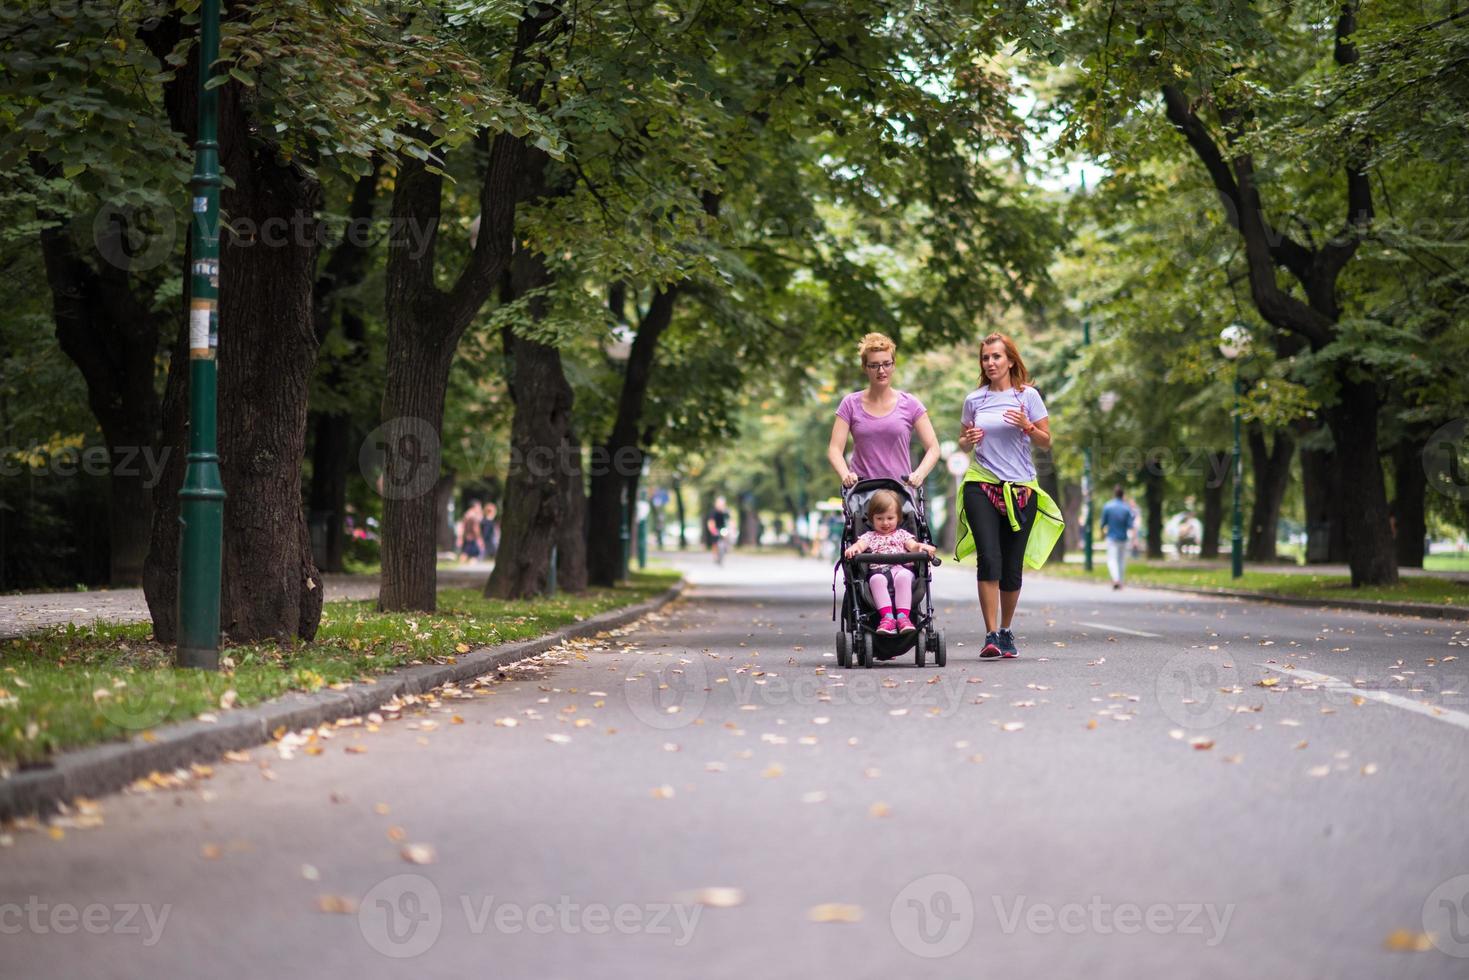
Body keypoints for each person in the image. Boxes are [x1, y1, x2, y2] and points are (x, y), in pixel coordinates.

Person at [954, 333, 1065, 660]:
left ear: (1011, 361)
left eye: (996, 357)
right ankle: (990, 634)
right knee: (989, 557)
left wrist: (1027, 426)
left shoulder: (1027, 396)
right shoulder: (975, 399)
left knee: (1011, 565)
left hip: (1020, 488)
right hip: (981, 482)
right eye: (986, 358)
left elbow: (1046, 441)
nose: (990, 363)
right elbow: (963, 439)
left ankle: (1005, 630)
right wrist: (968, 439)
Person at [827, 332, 941, 488]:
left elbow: (933, 448)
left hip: (899, 494)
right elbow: (834, 449)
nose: (881, 370)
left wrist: (919, 474)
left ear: (893, 365)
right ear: (865, 367)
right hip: (862, 494)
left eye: (886, 364)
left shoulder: (911, 404)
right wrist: (845, 474)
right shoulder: (850, 404)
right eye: (874, 365)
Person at [845, 489, 937, 634]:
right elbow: (860, 545)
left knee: (903, 577)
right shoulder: (869, 536)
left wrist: (922, 547)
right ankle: (887, 618)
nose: (885, 523)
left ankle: (903, 617)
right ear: (871, 519)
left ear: (898, 518)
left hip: (901, 570)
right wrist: (853, 549)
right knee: (876, 580)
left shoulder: (902, 535)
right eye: (879, 518)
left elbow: (913, 546)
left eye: (890, 518)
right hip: (878, 571)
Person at [1100, 484, 1134, 589]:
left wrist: (1102, 533)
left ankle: (1116, 579)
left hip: (1112, 537)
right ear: (1122, 494)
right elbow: (1130, 525)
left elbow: (1103, 524)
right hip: (1123, 538)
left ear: (1114, 494)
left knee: (1112, 559)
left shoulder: (1108, 506)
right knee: (1121, 560)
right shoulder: (1126, 508)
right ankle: (1121, 581)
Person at [705, 495, 731, 564]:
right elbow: (710, 522)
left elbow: (729, 520)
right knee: (715, 542)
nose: (721, 505)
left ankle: (726, 548)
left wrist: (731, 528)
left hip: (723, 528)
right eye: (719, 503)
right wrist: (712, 530)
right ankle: (715, 555)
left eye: (722, 503)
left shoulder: (725, 511)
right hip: (715, 528)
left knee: (726, 536)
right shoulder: (713, 512)